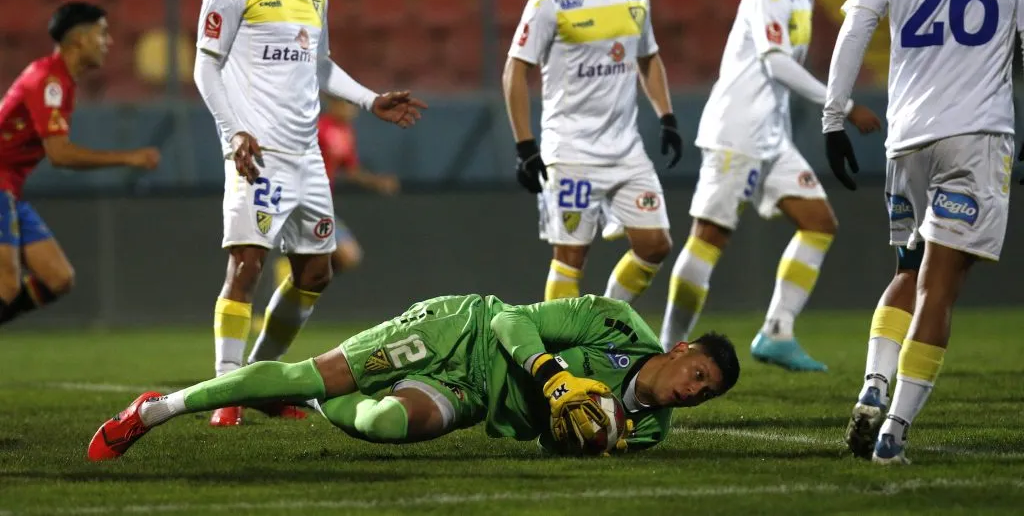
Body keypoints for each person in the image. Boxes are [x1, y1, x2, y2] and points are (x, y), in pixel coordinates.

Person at [192, 0, 426, 427]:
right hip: (259, 152)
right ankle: (226, 395)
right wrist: (234, 134)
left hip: (306, 158)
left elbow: (320, 65)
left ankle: (260, 380)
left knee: (315, 273)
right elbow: (205, 66)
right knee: (247, 265)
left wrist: (370, 100)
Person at [823, 0, 1024, 464]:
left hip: (906, 140)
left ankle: (872, 386)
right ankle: (893, 434)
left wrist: (833, 118)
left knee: (908, 272)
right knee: (940, 285)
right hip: (976, 135)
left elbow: (855, 28)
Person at [87, 293, 740, 461]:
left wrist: (582, 437)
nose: (694, 388)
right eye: (699, 371)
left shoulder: (650, 433)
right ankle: (154, 409)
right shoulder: (618, 323)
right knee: (311, 373)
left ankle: (309, 405)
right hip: (460, 328)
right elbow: (515, 318)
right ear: (682, 347)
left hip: (476, 393)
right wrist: (552, 376)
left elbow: (548, 445)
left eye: (704, 391)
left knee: (387, 424)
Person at [649, 0, 881, 371]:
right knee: (709, 237)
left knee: (819, 222)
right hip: (738, 131)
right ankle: (664, 351)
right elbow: (775, 63)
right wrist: (840, 104)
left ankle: (777, 332)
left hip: (771, 137)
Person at [502, 0, 683, 307]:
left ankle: (604, 321)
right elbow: (515, 72)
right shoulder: (551, 2)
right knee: (570, 258)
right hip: (572, 152)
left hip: (626, 151)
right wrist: (525, 146)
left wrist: (666, 116)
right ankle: (554, 354)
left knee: (655, 245)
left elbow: (648, 57)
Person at [0, 2, 160, 326]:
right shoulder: (50, 81)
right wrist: (127, 157)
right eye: (102, 33)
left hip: (10, 187)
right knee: (6, 285)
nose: (108, 42)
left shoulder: (60, 80)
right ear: (80, 39)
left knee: (58, 278)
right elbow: (59, 154)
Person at [259, 96, 399, 355]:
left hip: (323, 203)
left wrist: (376, 182)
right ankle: (294, 285)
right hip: (304, 199)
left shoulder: (345, 132)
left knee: (348, 257)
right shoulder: (319, 128)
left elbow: (351, 168)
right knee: (346, 254)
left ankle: (295, 282)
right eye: (349, 105)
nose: (353, 111)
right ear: (335, 105)